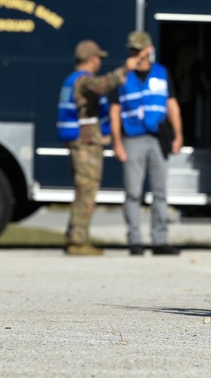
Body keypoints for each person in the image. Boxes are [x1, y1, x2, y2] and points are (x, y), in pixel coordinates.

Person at [57, 39, 147, 256]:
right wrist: (125, 69)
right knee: (87, 191)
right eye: (99, 58)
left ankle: (74, 237)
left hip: (81, 142)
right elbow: (100, 86)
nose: (100, 63)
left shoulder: (72, 80)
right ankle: (78, 241)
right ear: (92, 59)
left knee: (83, 190)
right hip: (86, 144)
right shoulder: (83, 81)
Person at [110, 31, 183, 256]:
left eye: (139, 50)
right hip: (132, 139)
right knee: (133, 193)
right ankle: (135, 241)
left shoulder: (161, 73)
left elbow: (172, 105)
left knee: (160, 193)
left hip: (158, 139)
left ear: (149, 50)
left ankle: (160, 241)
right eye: (132, 50)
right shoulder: (121, 76)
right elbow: (115, 111)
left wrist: (178, 135)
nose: (135, 54)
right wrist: (117, 143)